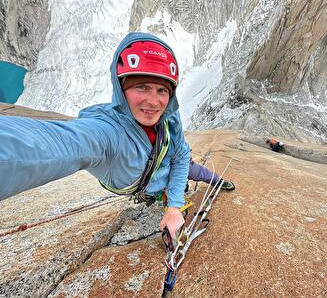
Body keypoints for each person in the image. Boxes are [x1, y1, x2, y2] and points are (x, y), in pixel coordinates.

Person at [0, 32, 191, 238]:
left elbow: (181, 156)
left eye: (162, 90)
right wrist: (173, 204)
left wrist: (174, 205)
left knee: (195, 169)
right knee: (190, 172)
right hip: (154, 183)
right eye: (141, 87)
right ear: (121, 88)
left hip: (166, 166)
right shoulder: (108, 132)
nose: (154, 102)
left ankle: (216, 180)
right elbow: (63, 144)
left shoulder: (170, 119)